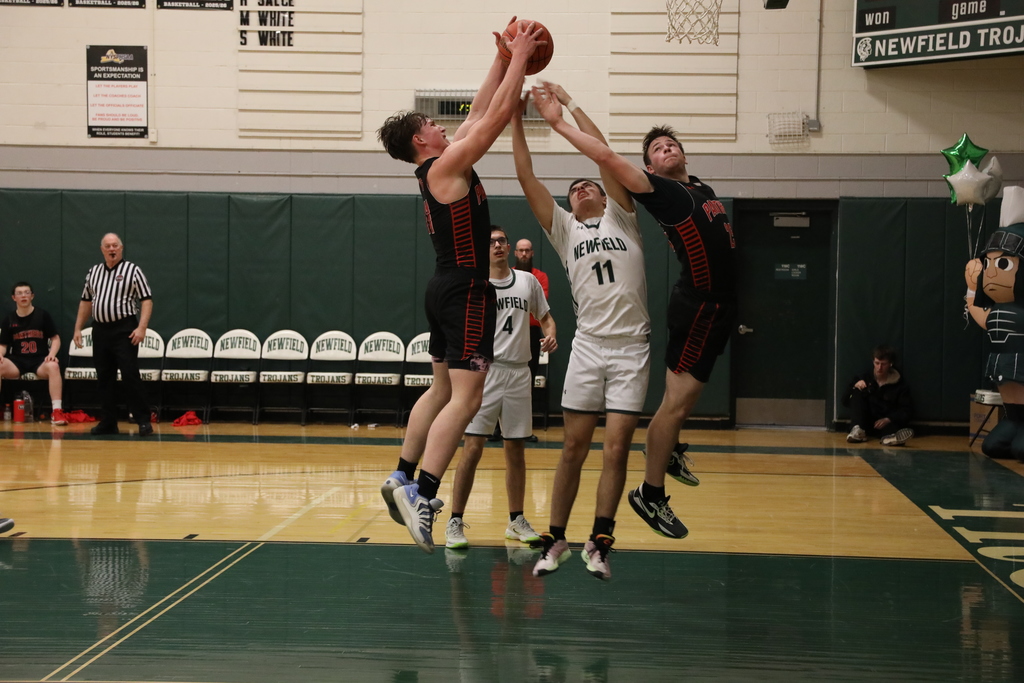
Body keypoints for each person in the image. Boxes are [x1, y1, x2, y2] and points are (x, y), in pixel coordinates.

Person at [530, 83, 735, 544]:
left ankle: (670, 450)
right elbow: (603, 155)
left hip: (719, 304)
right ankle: (650, 489)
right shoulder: (659, 195)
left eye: (672, 144)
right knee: (670, 404)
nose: (668, 148)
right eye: (657, 148)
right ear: (646, 169)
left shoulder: (700, 188)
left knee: (686, 398)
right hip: (684, 307)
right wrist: (562, 116)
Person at [375, 19, 546, 554]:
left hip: (443, 287)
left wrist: (499, 58)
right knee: (468, 400)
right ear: (420, 139)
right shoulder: (445, 165)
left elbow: (475, 113)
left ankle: (402, 475)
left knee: (444, 390)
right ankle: (424, 493)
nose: (444, 126)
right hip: (468, 291)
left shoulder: (436, 168)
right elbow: (493, 119)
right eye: (433, 123)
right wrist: (521, 57)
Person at [512, 86, 652, 581]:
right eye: (573, 190)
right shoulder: (565, 230)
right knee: (573, 447)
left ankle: (601, 541)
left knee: (615, 449)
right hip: (589, 348)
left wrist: (568, 106)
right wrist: (515, 118)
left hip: (632, 348)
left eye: (586, 185)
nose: (581, 189)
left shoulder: (623, 216)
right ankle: (556, 539)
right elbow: (526, 175)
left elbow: (604, 155)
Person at [445, 226, 557, 550]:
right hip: (485, 372)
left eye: (501, 241)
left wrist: (551, 333)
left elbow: (547, 318)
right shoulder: (475, 286)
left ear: (509, 247)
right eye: (491, 241)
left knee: (516, 450)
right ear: (485, 249)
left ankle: (516, 520)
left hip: (520, 372)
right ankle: (454, 520)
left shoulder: (528, 282)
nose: (496, 245)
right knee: (473, 448)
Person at [72, 233, 154, 437]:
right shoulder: (94, 272)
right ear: (102, 249)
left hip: (124, 329)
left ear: (121, 248)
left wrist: (142, 327)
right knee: (104, 378)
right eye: (108, 246)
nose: (111, 249)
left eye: (115, 245)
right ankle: (108, 422)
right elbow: (86, 301)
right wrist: (77, 329)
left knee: (129, 375)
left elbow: (146, 300)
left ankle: (143, 420)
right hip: (100, 330)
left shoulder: (132, 270)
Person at [965, 190, 1024, 461]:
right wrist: (970, 288)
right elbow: (980, 315)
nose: (990, 272)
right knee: (993, 447)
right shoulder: (998, 311)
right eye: (989, 262)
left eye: (1002, 263)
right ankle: (1013, 420)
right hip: (1007, 381)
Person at [0, 281, 68, 425]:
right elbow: (3, 345)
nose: (23, 296)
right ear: (14, 298)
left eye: (26, 292)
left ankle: (57, 411)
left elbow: (55, 339)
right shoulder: (9, 319)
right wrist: (0, 354)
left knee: (54, 366)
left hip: (39, 361)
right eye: (19, 293)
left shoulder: (42, 315)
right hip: (17, 361)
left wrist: (52, 354)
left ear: (32, 296)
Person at [843, 346, 914, 446]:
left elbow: (907, 410)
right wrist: (854, 386)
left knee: (892, 427)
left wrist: (889, 419)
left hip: (884, 421)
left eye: (883, 364)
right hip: (864, 421)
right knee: (857, 391)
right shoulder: (864, 378)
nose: (879, 367)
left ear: (890, 364)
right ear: (873, 362)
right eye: (877, 363)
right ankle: (857, 431)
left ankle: (891, 438)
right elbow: (845, 401)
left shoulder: (900, 386)